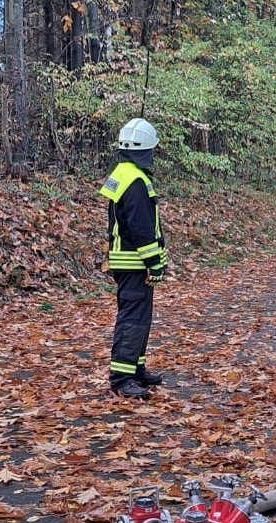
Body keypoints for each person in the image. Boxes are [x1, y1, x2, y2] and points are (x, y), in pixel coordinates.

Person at [101, 118, 169, 399]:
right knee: (132, 320)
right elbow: (141, 228)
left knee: (140, 319)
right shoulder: (137, 182)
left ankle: (135, 369)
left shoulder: (122, 174)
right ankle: (121, 379)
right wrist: (155, 262)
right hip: (135, 263)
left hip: (126, 261)